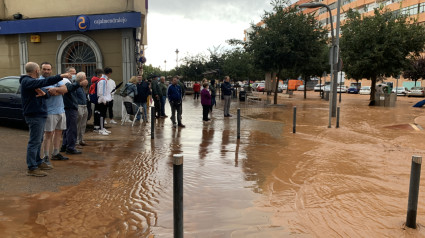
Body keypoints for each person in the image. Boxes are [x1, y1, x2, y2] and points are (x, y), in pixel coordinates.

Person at [20, 62, 71, 177]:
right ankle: (32, 167)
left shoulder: (33, 82)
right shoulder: (27, 81)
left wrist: (44, 94)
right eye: (40, 69)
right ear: (37, 71)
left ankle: (38, 162)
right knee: (34, 141)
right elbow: (45, 82)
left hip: (40, 114)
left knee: (38, 141)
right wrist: (61, 76)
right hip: (34, 115)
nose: (42, 72)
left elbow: (47, 94)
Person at [39, 62, 69, 166]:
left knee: (59, 132)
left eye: (48, 69)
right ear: (40, 69)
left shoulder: (56, 79)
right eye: (44, 69)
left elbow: (65, 89)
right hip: (49, 111)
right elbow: (48, 93)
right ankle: (45, 156)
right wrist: (59, 91)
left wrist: (55, 89)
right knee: (48, 134)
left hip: (61, 110)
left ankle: (56, 153)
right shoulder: (40, 81)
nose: (46, 71)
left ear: (51, 70)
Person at [61, 69, 88, 155]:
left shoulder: (71, 81)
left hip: (71, 107)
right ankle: (70, 147)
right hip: (70, 107)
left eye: (75, 73)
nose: (74, 74)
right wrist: (79, 83)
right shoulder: (66, 81)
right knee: (72, 128)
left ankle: (65, 145)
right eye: (72, 73)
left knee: (69, 128)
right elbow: (70, 89)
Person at [94, 67, 113, 135]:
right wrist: (104, 101)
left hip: (103, 100)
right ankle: (101, 129)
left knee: (103, 115)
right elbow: (101, 92)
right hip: (102, 101)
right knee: (102, 115)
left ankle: (102, 128)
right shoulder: (103, 81)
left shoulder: (103, 80)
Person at [76, 72, 89, 147]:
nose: (86, 80)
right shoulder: (76, 86)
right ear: (81, 79)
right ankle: (76, 141)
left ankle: (81, 139)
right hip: (79, 106)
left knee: (83, 124)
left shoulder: (81, 87)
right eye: (85, 78)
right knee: (78, 125)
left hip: (84, 106)